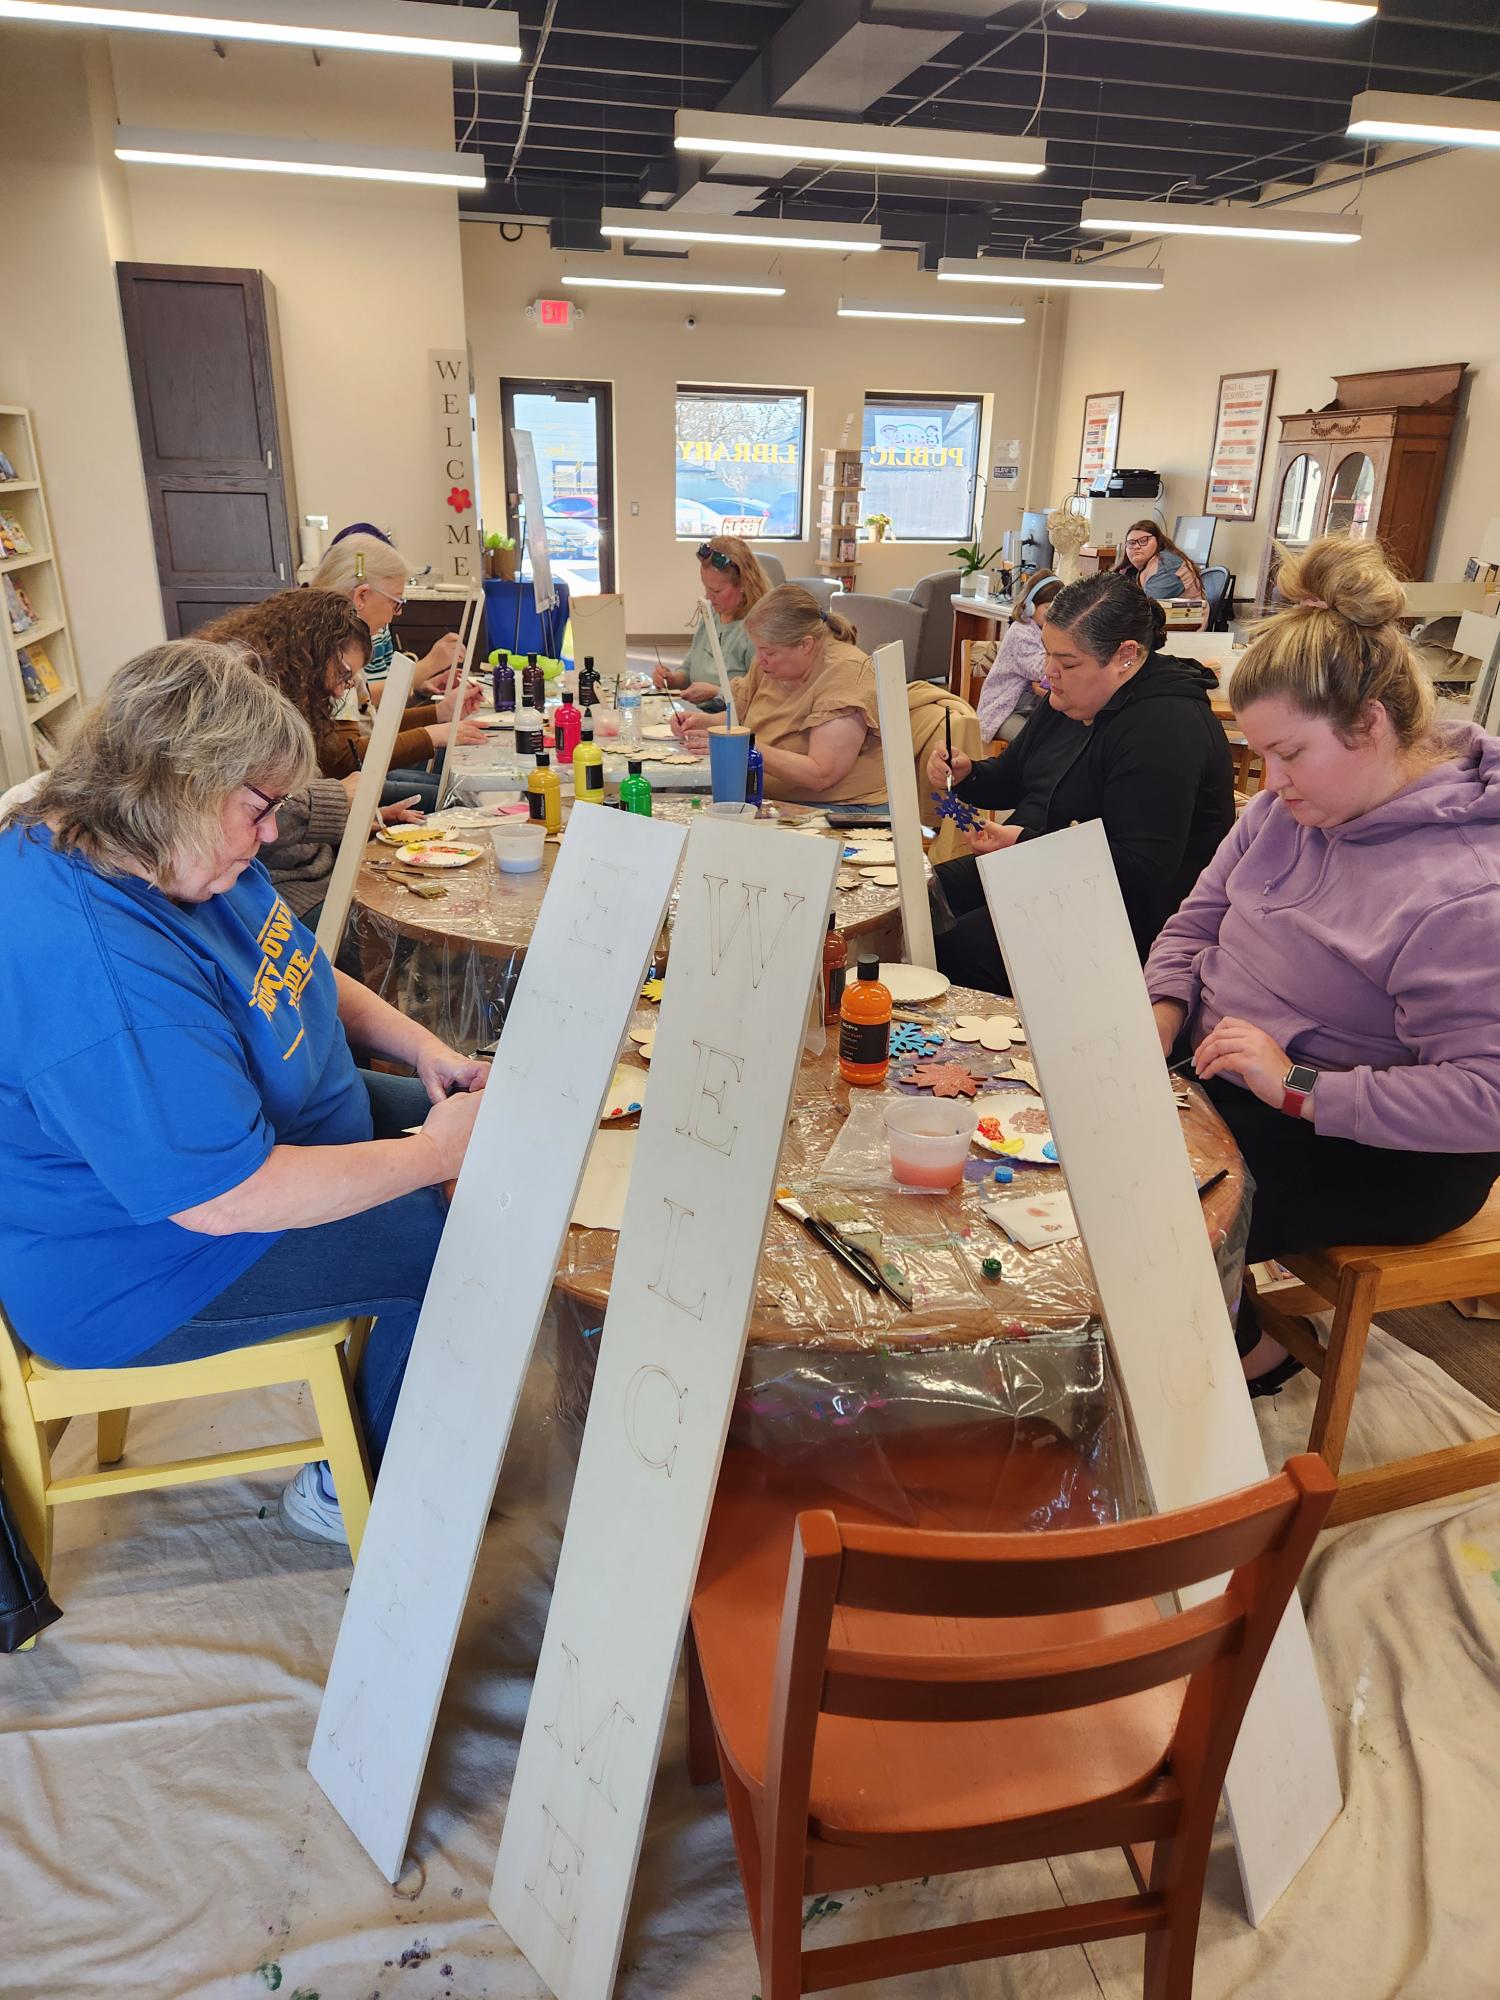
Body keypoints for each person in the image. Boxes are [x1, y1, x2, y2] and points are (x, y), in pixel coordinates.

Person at [0, 641, 485, 1545]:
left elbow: (294, 967)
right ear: (177, 783)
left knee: (498, 1158)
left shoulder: (172, 843)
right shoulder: (101, 974)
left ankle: (410, 1421)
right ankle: (354, 1494)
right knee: (467, 1246)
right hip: (144, 1269)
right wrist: (433, 1154)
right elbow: (226, 1199)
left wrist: (424, 1052)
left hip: (272, 1136)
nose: (271, 835)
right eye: (259, 810)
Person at [1144, 536, 1500, 1394]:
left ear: (1371, 725)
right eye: (1262, 755)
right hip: (1242, 1082)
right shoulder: (1286, 812)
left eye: (1290, 754)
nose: (1268, 783)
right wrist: (1154, 1023)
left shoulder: (1462, 890)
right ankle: (1217, 1337)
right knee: (1068, 1141)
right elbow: (1194, 926)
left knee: (1140, 1206)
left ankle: (1243, 1363)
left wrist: (1297, 1083)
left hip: (1387, 1148)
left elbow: (1486, 1100)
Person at [927, 571, 1234, 995]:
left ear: (1126, 655)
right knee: (921, 902)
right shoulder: (1068, 697)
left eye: (1068, 662)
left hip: (1122, 917)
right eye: (1049, 654)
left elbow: (1141, 872)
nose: (1050, 673)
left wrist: (1028, 843)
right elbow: (1014, 779)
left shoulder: (1165, 728)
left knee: (949, 946)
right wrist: (968, 775)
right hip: (1045, 870)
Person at [197, 591, 437, 921]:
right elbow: (257, 816)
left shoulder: (296, 690)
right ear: (311, 651)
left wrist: (363, 817)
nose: (343, 689)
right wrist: (341, 801)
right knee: (404, 919)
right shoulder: (243, 696)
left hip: (311, 864)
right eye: (343, 674)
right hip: (284, 884)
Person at [673, 584, 886, 807]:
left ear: (805, 644)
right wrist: (702, 723)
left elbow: (821, 774)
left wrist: (742, 747)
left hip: (841, 808)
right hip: (767, 794)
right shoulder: (771, 664)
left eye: (769, 652)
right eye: (758, 649)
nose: (760, 659)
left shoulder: (845, 674)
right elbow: (743, 719)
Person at [312, 530, 464, 699]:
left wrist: (420, 687)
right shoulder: (327, 654)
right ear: (361, 596)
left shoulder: (336, 636)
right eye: (396, 602)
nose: (397, 613)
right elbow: (362, 701)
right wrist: (429, 665)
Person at [653, 536, 770, 709]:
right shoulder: (711, 616)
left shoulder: (759, 629)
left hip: (730, 724)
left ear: (744, 584)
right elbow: (689, 669)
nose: (708, 596)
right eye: (706, 587)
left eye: (716, 590)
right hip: (697, 714)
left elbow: (762, 698)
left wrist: (717, 692)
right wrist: (671, 679)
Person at [976, 568, 1062, 743]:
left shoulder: (1045, 630)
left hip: (1033, 708)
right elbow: (1043, 671)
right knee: (1033, 742)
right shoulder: (1021, 633)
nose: (1055, 615)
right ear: (1030, 607)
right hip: (1005, 711)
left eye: (1060, 609)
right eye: (1048, 608)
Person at [1114, 520, 1204, 602]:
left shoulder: (1168, 565)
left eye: (1143, 541)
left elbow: (1145, 605)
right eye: (1131, 543)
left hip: (1184, 619)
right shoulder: (1135, 568)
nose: (1136, 547)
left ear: (1158, 541)